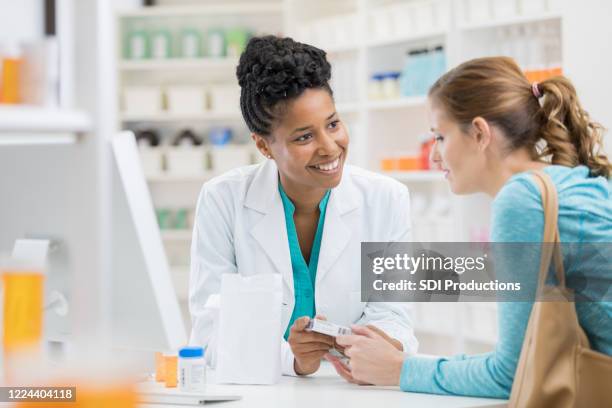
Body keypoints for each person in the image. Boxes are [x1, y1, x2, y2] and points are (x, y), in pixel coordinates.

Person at [328, 57, 612, 398]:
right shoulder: (575, 181)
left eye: (440, 137)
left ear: (479, 132)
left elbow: (509, 375)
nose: (434, 156)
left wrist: (400, 368)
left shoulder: (522, 199)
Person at [189, 35, 418, 376]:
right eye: (304, 137)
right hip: (260, 390)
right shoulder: (223, 200)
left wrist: (369, 345)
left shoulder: (385, 198)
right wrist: (293, 359)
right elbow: (210, 334)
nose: (330, 147)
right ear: (264, 146)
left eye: (333, 124)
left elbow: (395, 316)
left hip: (353, 390)